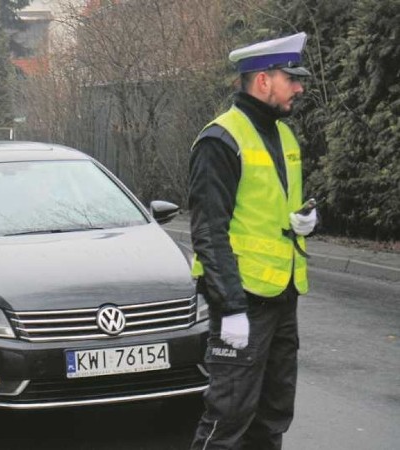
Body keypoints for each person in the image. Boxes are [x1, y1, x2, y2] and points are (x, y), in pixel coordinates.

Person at [188, 32, 318, 449]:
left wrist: (305, 221)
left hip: (283, 297)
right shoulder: (221, 140)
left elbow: (274, 207)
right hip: (243, 303)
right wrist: (230, 311)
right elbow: (209, 233)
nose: (298, 88)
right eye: (291, 78)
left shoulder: (283, 135)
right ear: (264, 81)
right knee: (228, 419)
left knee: (272, 416)